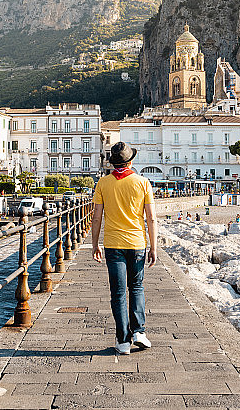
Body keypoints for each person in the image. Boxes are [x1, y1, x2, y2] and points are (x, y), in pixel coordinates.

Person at [91, 142, 157, 355]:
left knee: (118, 292)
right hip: (137, 243)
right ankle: (139, 331)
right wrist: (153, 247)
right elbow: (151, 219)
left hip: (113, 244)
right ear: (131, 161)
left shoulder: (103, 183)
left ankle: (123, 341)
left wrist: (94, 245)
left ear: (112, 163)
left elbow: (97, 218)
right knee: (136, 287)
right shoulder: (143, 182)